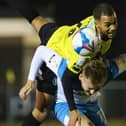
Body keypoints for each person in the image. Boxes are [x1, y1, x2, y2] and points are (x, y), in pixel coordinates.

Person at [5, 1, 118, 125]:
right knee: (41, 112)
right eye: (108, 24)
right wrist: (72, 110)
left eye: (114, 22)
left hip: (59, 34)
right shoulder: (86, 47)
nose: (113, 27)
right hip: (55, 51)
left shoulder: (98, 22)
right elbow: (67, 77)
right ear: (97, 24)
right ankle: (60, 105)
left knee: (35, 18)